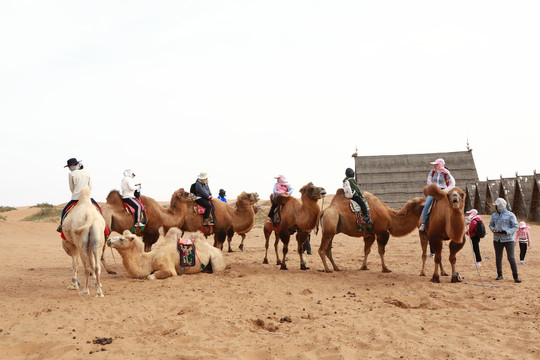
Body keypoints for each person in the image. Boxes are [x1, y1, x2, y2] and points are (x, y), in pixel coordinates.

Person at [57, 158, 101, 232]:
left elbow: (72, 188)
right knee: (99, 209)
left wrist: (76, 193)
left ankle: (62, 226)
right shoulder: (87, 172)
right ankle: (104, 227)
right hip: (88, 197)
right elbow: (90, 187)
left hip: (76, 198)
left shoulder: (71, 174)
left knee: (64, 211)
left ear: (72, 165)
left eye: (69, 166)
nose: (69, 168)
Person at [418, 158, 456, 232]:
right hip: (434, 191)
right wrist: (434, 188)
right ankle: (423, 223)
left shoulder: (446, 173)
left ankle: (460, 219)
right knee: (427, 205)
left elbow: (452, 184)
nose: (434, 166)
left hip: (443, 191)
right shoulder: (432, 172)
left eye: (436, 164)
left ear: (440, 165)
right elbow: (429, 181)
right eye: (435, 164)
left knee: (454, 202)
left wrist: (445, 190)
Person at [489, 198, 520, 283]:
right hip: (497, 239)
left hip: (508, 239)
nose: (494, 207)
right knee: (498, 257)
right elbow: (491, 225)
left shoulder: (511, 215)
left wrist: (507, 232)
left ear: (500, 206)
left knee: (511, 257)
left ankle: (515, 276)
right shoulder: (494, 215)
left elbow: (516, 227)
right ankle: (499, 275)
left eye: (496, 205)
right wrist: (493, 229)